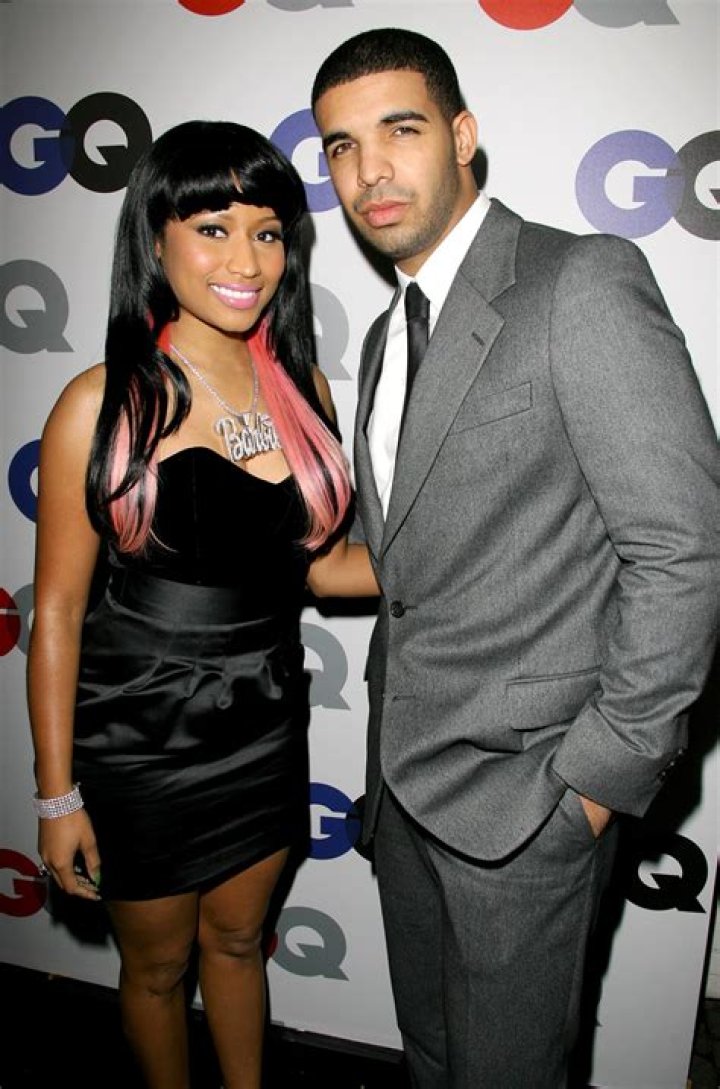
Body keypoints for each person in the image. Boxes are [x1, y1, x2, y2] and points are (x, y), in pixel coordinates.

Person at [311, 28, 720, 1089]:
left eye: (400, 131)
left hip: (529, 800)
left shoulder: (577, 280)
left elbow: (683, 549)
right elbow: (414, 560)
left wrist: (592, 784)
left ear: (463, 136)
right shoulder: (385, 337)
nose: (370, 171)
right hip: (401, 792)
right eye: (342, 147)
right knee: (433, 1057)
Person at [27, 119, 376, 1089]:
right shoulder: (100, 405)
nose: (246, 261)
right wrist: (57, 797)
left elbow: (324, 571)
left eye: (267, 233)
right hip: (139, 737)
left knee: (236, 942)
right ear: (157, 237)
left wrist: (475, 556)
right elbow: (56, 614)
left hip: (264, 725)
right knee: (156, 967)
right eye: (213, 229)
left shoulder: (304, 389)